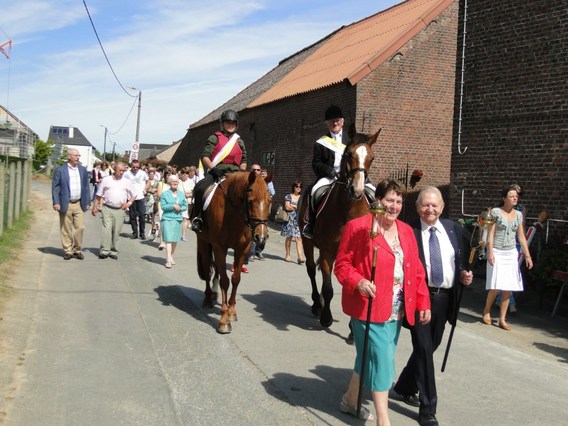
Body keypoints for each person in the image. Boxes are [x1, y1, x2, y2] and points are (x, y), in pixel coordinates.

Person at [334, 179, 431, 425]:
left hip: (397, 309)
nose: (394, 206)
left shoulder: (406, 231)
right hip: (369, 307)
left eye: (399, 201)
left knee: (367, 357)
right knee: (382, 361)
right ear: (378, 201)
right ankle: (383, 419)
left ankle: (349, 400)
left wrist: (423, 302)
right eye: (390, 200)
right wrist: (359, 282)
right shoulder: (357, 227)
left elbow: (416, 270)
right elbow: (342, 265)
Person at [391, 186, 473, 426]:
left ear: (442, 207)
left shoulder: (453, 229)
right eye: (425, 205)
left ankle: (405, 385)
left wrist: (463, 275)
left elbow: (457, 262)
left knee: (431, 345)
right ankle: (428, 409)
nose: (430, 209)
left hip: (445, 298)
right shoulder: (409, 231)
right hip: (419, 296)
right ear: (417, 208)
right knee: (425, 349)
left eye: (434, 205)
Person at [483, 185, 533, 330]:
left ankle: (502, 319)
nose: (515, 198)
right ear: (504, 198)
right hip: (497, 251)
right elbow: (490, 233)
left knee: (508, 287)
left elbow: (521, 236)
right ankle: (487, 311)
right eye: (511, 196)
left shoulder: (518, 215)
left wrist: (527, 255)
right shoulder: (496, 212)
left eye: (516, 196)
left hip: (511, 252)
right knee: (496, 285)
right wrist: (490, 252)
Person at [191, 109, 247, 232]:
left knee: (250, 193)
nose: (230, 125)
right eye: (228, 122)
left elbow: (244, 160)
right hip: (217, 171)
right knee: (200, 188)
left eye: (233, 123)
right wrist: (213, 168)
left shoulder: (239, 141)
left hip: (235, 174)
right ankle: (198, 218)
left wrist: (242, 171)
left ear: (236, 125)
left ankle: (250, 223)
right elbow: (205, 156)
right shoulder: (214, 138)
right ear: (223, 124)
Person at [303, 105, 346, 239]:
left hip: (348, 176)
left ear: (342, 121)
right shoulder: (321, 143)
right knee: (314, 191)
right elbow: (316, 163)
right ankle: (311, 223)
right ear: (327, 123)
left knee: (370, 190)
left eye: (337, 120)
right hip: (329, 177)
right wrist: (330, 172)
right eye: (332, 121)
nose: (335, 123)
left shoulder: (350, 140)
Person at [51, 148, 91, 260]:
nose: (78, 157)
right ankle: (68, 250)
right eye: (75, 155)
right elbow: (55, 187)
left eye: (79, 155)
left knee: (80, 227)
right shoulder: (60, 170)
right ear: (69, 156)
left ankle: (77, 249)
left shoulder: (82, 170)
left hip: (79, 203)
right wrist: (56, 202)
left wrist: (88, 201)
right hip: (65, 203)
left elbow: (86, 187)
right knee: (66, 228)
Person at [92, 162, 136, 260]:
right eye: (120, 170)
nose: (122, 172)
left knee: (116, 231)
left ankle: (113, 251)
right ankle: (104, 250)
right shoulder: (106, 180)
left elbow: (134, 194)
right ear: (114, 169)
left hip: (120, 209)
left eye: (123, 170)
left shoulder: (126, 181)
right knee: (106, 229)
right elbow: (99, 194)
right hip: (107, 207)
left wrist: (128, 203)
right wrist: (95, 207)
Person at [160, 175, 188, 268]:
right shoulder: (165, 194)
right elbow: (163, 206)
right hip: (167, 218)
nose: (175, 183)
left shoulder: (181, 194)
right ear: (169, 183)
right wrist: (173, 206)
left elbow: (185, 206)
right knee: (168, 239)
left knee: (175, 239)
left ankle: (171, 256)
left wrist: (180, 208)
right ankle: (168, 260)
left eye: (176, 181)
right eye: (173, 181)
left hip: (178, 219)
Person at [280, 180, 305, 264]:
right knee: (289, 237)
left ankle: (300, 256)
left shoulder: (302, 197)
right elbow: (287, 207)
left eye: (300, 187)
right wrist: (296, 208)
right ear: (293, 187)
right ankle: (287, 254)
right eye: (296, 186)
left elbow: (303, 208)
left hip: (298, 220)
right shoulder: (288, 196)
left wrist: (293, 206)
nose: (298, 188)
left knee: (299, 238)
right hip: (289, 219)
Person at [123, 159, 149, 239]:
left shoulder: (142, 173)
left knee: (141, 215)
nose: (135, 168)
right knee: (132, 216)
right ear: (131, 166)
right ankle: (135, 233)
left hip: (140, 196)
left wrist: (145, 189)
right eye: (134, 167)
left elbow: (148, 181)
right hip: (131, 197)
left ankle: (142, 233)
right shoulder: (126, 173)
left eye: (137, 167)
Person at [178, 167, 196, 241]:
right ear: (181, 174)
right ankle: (174, 234)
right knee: (177, 219)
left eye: (186, 173)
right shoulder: (178, 181)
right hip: (178, 202)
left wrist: (189, 194)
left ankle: (183, 236)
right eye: (183, 173)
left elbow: (194, 192)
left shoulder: (191, 182)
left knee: (185, 219)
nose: (185, 174)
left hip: (186, 203)